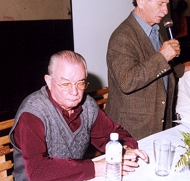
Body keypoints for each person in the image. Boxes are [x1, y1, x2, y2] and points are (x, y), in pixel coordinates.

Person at [9, 50, 148, 181]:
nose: (75, 92)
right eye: (66, 84)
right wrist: (95, 168)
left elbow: (113, 134)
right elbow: (38, 172)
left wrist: (124, 150)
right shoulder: (32, 114)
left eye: (80, 83)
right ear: (49, 81)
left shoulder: (87, 105)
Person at [106, 0, 190, 140]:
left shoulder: (156, 29)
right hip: (134, 129)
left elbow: (155, 70)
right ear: (141, 1)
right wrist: (163, 56)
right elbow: (128, 80)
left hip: (159, 121)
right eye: (160, 3)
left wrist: (179, 68)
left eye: (167, 4)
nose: (165, 10)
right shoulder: (122, 37)